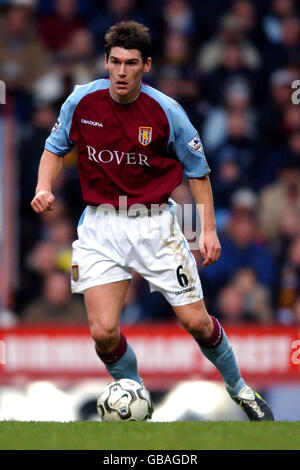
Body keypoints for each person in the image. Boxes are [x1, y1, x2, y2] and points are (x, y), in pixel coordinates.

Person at [31, 21, 274, 421]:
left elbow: (198, 172)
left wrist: (208, 230)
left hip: (155, 225)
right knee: (103, 332)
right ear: (105, 63)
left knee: (196, 322)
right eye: (114, 62)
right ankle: (135, 398)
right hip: (100, 224)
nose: (121, 72)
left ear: (147, 65)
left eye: (130, 63)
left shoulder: (167, 111)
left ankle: (240, 390)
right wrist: (44, 186)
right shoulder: (81, 101)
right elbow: (55, 148)